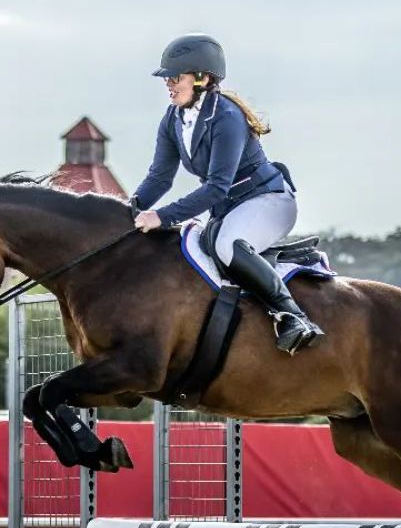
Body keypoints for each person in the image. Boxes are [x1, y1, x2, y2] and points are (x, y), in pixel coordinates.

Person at [130, 33, 324, 355]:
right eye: (167, 78)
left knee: (226, 245)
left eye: (176, 77)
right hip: (230, 208)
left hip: (269, 201)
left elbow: (217, 186)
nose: (169, 84)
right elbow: (160, 178)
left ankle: (294, 316)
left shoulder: (227, 117)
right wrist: (130, 210)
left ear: (203, 78)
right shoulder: (173, 119)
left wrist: (161, 216)